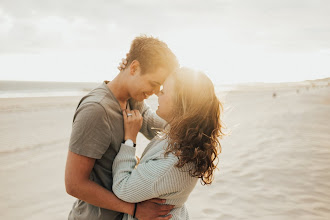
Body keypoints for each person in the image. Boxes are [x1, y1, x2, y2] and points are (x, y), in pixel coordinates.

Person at [65, 36, 179, 220]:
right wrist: (134, 209)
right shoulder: (96, 110)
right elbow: (74, 184)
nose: (156, 92)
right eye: (153, 84)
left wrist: (195, 126)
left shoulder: (133, 98)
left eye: (160, 87)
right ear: (134, 68)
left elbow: (157, 128)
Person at [112, 67, 224, 219]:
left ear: (181, 102)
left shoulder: (172, 163)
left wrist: (129, 140)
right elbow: (145, 117)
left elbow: (122, 188)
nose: (158, 93)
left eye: (164, 91)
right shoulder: (183, 134)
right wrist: (130, 79)